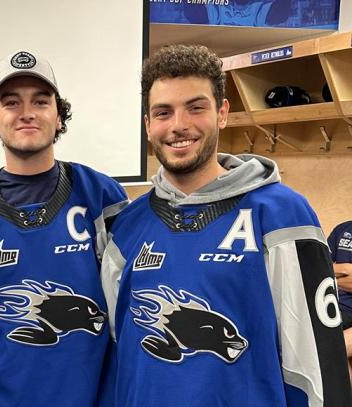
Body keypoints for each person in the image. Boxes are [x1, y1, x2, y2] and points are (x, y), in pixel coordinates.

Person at [101, 44, 351, 406]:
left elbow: (318, 363)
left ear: (222, 113)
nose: (179, 125)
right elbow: (119, 344)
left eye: (195, 107)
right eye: (163, 112)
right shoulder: (128, 226)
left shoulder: (282, 214)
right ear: (148, 125)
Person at [0, 50, 129, 406]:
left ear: (59, 116)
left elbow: (129, 308)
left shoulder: (101, 196)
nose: (26, 112)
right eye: (11, 102)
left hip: (87, 395)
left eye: (40, 101)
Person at [327, 220, 352, 382]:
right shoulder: (342, 229)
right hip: (331, 308)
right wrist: (342, 272)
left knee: (331, 350)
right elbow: (318, 267)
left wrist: (332, 271)